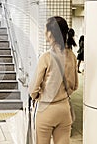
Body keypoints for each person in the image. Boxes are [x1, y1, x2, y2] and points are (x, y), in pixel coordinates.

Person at [29, 16, 79, 144]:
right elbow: (75, 86)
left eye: (46, 30)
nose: (45, 33)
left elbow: (33, 89)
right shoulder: (72, 56)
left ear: (52, 33)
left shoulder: (46, 58)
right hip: (64, 110)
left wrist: (37, 95)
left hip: (46, 110)